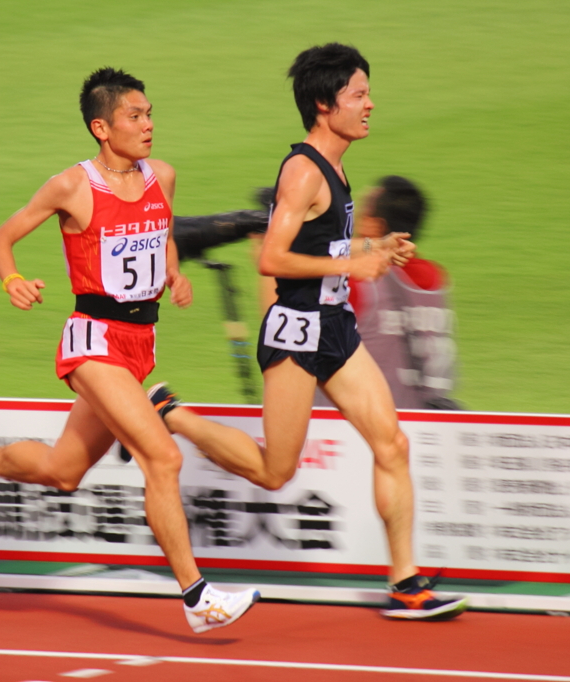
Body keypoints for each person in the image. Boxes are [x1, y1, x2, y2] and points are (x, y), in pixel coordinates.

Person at [0, 67, 259, 634]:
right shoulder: (72, 186)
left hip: (140, 342)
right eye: (134, 116)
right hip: (93, 342)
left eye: (149, 114)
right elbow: (2, 237)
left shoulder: (161, 176)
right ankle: (197, 598)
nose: (148, 125)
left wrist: (172, 273)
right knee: (162, 459)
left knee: (62, 471)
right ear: (102, 126)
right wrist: (11, 279)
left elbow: (162, 229)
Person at [150, 44, 467, 620]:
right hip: (297, 331)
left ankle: (406, 583)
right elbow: (273, 258)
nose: (370, 104)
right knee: (276, 471)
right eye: (359, 95)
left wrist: (378, 247)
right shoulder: (301, 172)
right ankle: (170, 413)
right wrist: (353, 265)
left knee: (392, 443)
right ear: (325, 104)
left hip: (335, 327)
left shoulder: (338, 164)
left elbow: (324, 245)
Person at [349, 176, 460, 410]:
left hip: (360, 424)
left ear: (374, 225)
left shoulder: (357, 282)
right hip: (423, 419)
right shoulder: (436, 279)